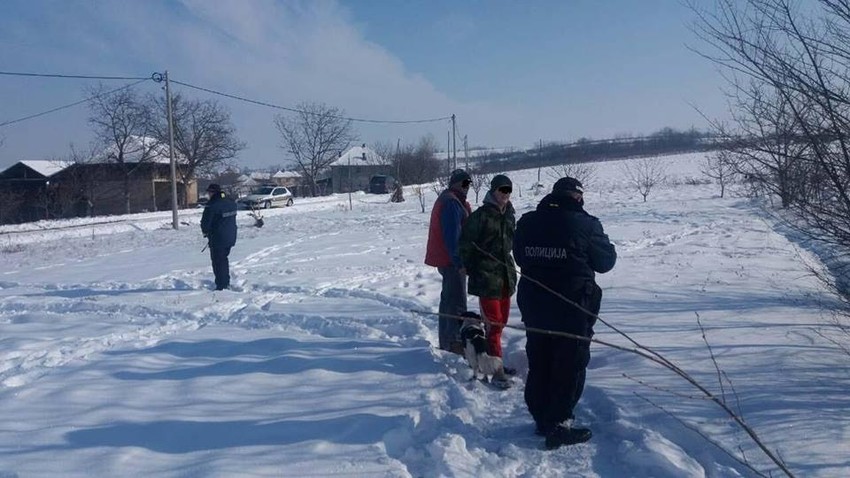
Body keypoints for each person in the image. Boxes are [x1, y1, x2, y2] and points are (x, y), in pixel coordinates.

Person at [513, 176, 617, 450]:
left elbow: (520, 257)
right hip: (572, 303)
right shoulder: (586, 224)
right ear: (578, 197)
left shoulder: (527, 222)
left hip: (534, 302)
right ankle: (559, 423)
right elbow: (605, 262)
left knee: (540, 357)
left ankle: (541, 417)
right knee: (570, 361)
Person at [459, 174, 517, 383]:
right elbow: (466, 243)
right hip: (486, 278)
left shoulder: (509, 214)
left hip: (505, 277)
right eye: (501, 190)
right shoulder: (481, 216)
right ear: (493, 191)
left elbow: (511, 243)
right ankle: (497, 371)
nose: (505, 194)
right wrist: (470, 266)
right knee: (493, 325)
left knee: (501, 323)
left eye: (508, 190)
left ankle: (494, 362)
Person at [425, 169, 473, 354]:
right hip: (451, 261)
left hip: (445, 259)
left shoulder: (452, 200)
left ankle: (446, 341)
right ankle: (454, 342)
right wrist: (460, 262)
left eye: (468, 183)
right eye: (463, 183)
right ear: (454, 184)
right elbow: (453, 236)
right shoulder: (451, 203)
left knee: (448, 299)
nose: (466, 187)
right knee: (456, 301)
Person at [200, 183, 238, 291]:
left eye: (209, 192)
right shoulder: (231, 202)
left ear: (212, 192)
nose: (208, 194)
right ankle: (225, 282)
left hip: (218, 238)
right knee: (223, 260)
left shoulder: (212, 205)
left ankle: (222, 285)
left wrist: (206, 232)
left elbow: (205, 223)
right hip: (231, 236)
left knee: (218, 262)